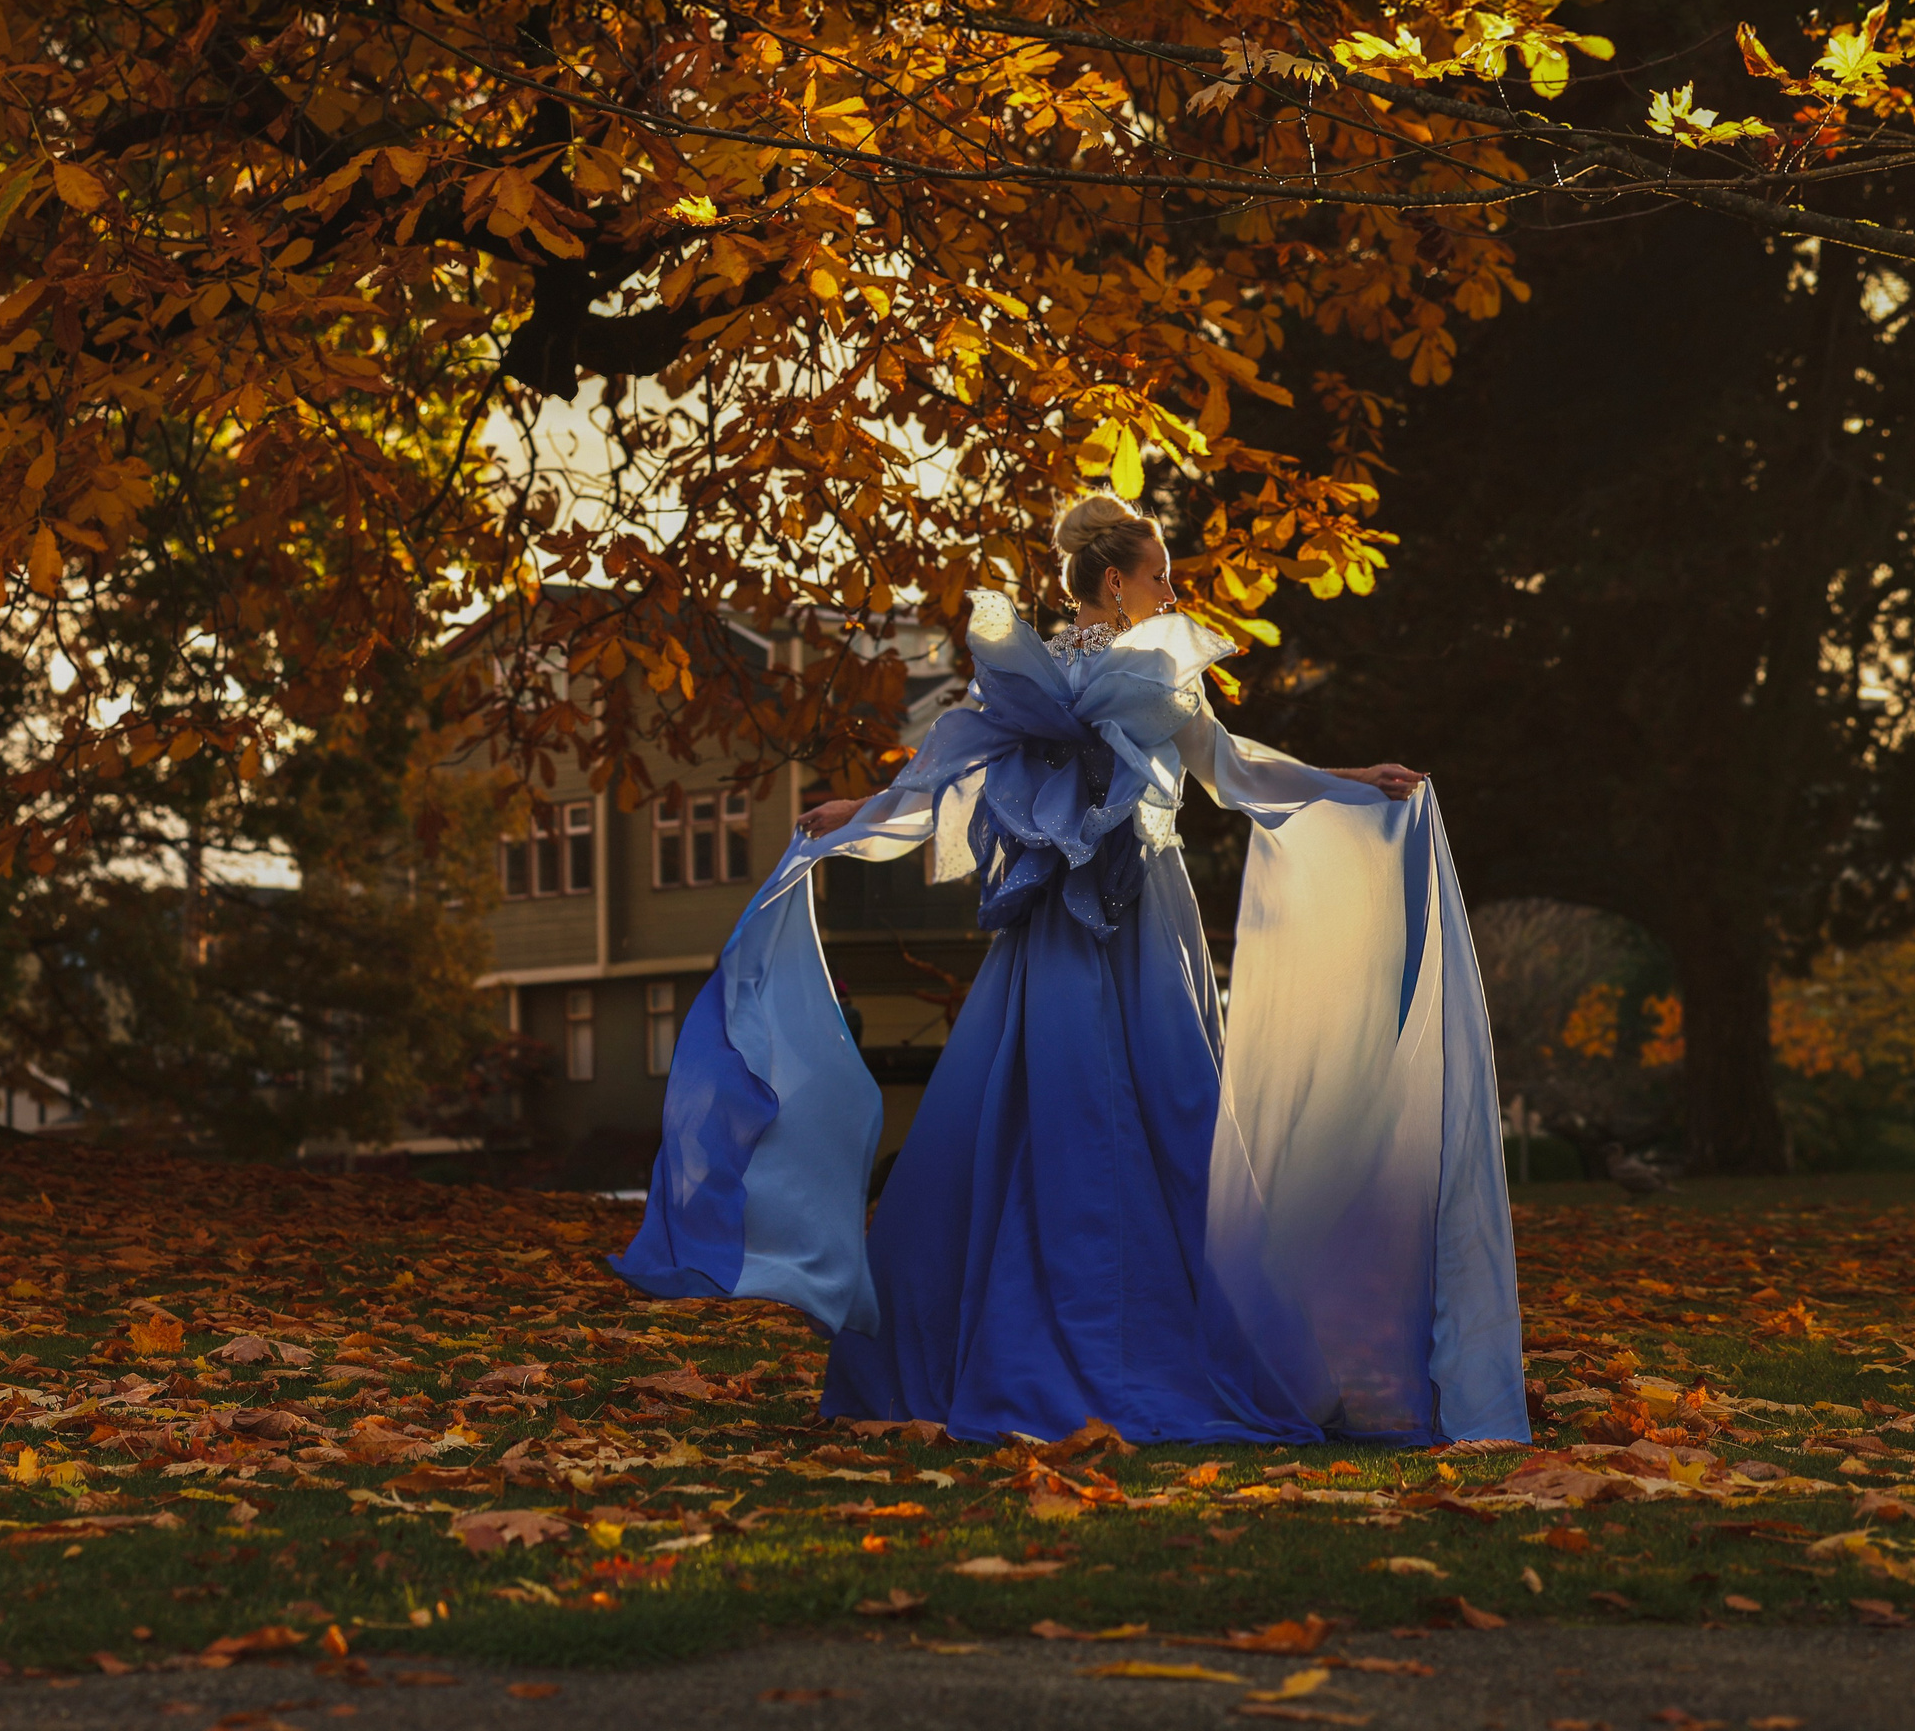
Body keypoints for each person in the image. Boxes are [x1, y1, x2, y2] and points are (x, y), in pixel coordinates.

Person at [610, 495, 1526, 1447]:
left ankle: (1170, 1339)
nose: (1174, 589)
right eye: (1163, 572)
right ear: (1117, 579)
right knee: (1023, 1112)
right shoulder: (1026, 675)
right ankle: (992, 1348)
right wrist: (862, 810)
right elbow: (942, 775)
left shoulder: (1165, 670)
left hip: (1141, 921)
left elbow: (1234, 771)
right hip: (1053, 922)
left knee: (1172, 1111)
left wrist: (1346, 783)